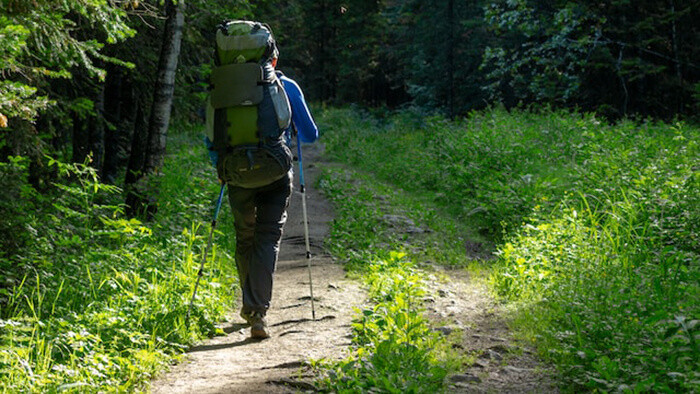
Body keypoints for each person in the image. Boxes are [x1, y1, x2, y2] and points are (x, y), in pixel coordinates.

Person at [217, 48, 318, 339]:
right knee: (267, 236)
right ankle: (257, 311)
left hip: (236, 174)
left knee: (244, 236)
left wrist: (221, 167)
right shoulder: (285, 85)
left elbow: (213, 135)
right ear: (271, 59)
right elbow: (310, 134)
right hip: (275, 172)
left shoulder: (224, 89)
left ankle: (250, 306)